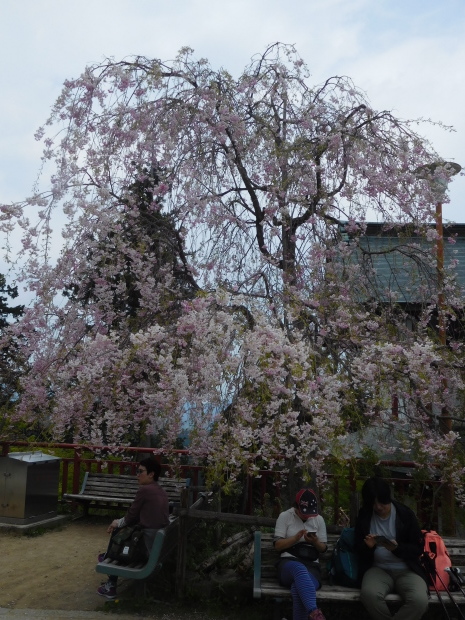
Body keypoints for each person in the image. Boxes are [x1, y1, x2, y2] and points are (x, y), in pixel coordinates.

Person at [354, 476, 429, 620]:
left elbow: (417, 548)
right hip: (377, 568)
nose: (378, 507)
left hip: (407, 569)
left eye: (382, 502)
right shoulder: (365, 515)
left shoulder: (405, 514)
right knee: (369, 595)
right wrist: (368, 547)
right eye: (373, 503)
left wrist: (397, 548)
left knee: (419, 600)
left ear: (388, 497)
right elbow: (357, 548)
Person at [97, 457, 170, 599]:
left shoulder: (145, 490)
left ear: (151, 474)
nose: (137, 474)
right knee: (122, 532)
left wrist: (116, 522)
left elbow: (131, 516)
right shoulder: (160, 491)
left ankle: (111, 585)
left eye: (140, 471)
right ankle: (107, 557)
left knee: (118, 534)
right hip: (157, 546)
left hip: (146, 549)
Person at [274, 488, 328, 620]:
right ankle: (315, 613)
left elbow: (323, 548)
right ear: (296, 506)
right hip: (288, 563)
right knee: (299, 569)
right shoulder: (285, 516)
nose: (307, 516)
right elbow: (277, 546)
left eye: (310, 513)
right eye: (304, 513)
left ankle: (313, 614)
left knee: (297, 589)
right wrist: (295, 539)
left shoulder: (319, 520)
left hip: (311, 566)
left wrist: (315, 542)